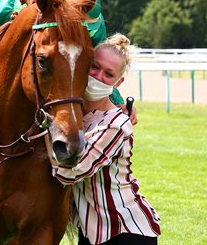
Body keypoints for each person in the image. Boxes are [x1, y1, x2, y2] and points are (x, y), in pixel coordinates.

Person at [52, 33, 160, 245]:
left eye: (108, 74)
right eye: (94, 67)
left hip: (125, 232)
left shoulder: (115, 124)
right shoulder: (78, 115)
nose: (98, 76)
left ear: (118, 82)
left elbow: (70, 171)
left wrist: (50, 127)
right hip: (92, 232)